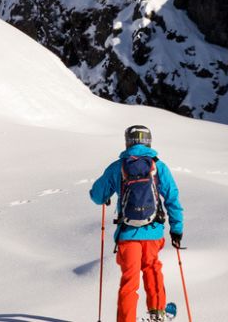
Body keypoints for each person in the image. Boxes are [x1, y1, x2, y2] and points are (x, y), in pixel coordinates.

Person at [90, 125, 184, 322]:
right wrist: (176, 229)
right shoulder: (159, 167)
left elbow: (97, 196)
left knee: (129, 281)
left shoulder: (118, 167)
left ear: (127, 142)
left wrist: (107, 194)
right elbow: (172, 199)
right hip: (153, 232)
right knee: (152, 269)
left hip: (127, 233)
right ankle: (157, 312)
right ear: (149, 141)